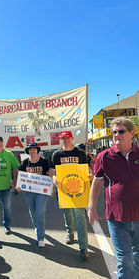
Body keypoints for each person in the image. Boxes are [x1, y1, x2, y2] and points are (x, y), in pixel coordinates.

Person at [88, 117, 139, 278]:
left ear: (132, 133)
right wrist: (92, 207)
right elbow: (96, 183)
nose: (117, 135)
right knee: (124, 260)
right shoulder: (104, 156)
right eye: (114, 132)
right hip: (116, 218)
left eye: (121, 131)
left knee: (137, 258)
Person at [51, 131, 89, 260]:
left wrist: (89, 176)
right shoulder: (56, 154)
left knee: (80, 216)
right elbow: (52, 171)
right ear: (61, 140)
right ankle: (70, 232)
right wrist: (54, 177)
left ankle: (83, 248)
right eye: (64, 138)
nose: (66, 140)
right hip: (63, 190)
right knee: (67, 213)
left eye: (68, 138)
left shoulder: (80, 153)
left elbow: (85, 169)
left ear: (72, 139)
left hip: (78, 189)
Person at [19, 142, 55, 247]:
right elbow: (21, 176)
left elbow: (50, 174)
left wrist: (52, 187)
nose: (32, 151)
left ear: (37, 150)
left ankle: (40, 237)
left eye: (34, 149)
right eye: (30, 150)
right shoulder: (25, 162)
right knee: (32, 211)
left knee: (40, 212)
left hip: (42, 192)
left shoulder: (44, 162)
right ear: (28, 151)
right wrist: (19, 186)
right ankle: (36, 226)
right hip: (29, 192)